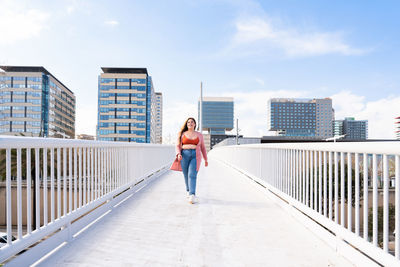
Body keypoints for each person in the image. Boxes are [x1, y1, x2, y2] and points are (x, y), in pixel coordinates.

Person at [176, 117, 208, 204]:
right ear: (186, 124)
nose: (190, 123)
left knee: (192, 174)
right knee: (186, 174)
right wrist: (178, 154)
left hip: (195, 156)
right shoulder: (182, 134)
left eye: (192, 122)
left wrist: (206, 159)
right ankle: (188, 190)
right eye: (188, 122)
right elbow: (178, 146)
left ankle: (192, 194)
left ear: (195, 124)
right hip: (184, 156)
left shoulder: (199, 135)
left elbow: (203, 148)